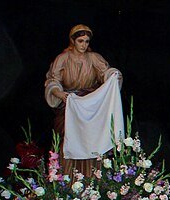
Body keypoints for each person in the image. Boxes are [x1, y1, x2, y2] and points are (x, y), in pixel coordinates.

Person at [44, 24, 122, 177]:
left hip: (90, 105)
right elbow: (53, 80)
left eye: (86, 41)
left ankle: (91, 177)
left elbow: (105, 73)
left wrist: (113, 75)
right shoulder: (63, 58)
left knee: (92, 138)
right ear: (73, 41)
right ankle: (69, 178)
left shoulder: (93, 58)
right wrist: (60, 94)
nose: (83, 45)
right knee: (68, 137)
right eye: (80, 41)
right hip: (70, 105)